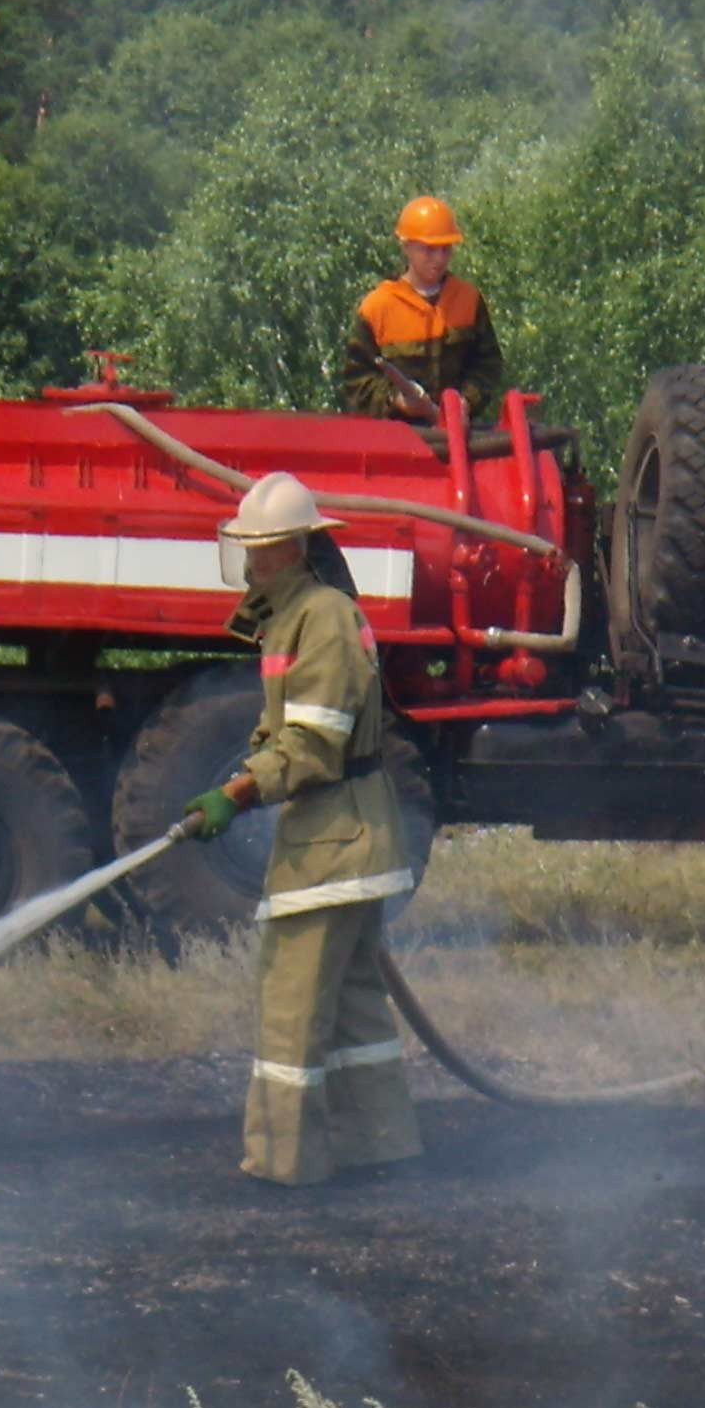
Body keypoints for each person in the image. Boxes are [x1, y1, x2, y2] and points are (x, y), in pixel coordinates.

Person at [176, 472, 419, 1185]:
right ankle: (380, 1147)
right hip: (342, 841)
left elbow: (313, 746)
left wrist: (237, 794)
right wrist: (246, 772)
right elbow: (288, 729)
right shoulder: (299, 617)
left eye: (260, 549)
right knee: (350, 1009)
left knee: (290, 1011)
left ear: (292, 548)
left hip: (333, 845)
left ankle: (283, 1163)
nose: (249, 564)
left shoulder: (321, 618)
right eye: (246, 549)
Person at [339, 196, 505, 424]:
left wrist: (466, 401)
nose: (439, 259)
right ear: (406, 246)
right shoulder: (377, 308)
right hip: (397, 442)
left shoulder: (469, 300)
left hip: (457, 438)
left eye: (446, 249)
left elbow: (488, 364)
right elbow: (357, 381)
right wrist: (396, 399)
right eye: (429, 250)